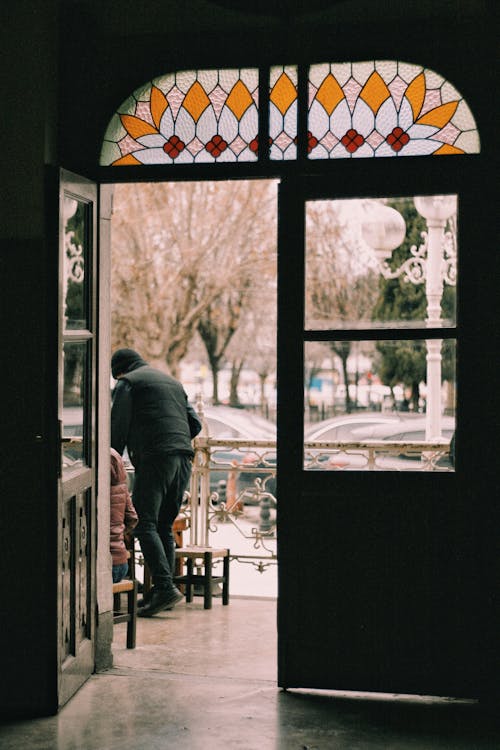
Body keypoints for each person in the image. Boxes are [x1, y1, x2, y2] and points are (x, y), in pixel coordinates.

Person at [110, 348, 202, 616]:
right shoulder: (173, 382)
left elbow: (118, 428)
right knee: (163, 525)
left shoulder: (128, 383)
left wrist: (112, 459)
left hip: (155, 458)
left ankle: (164, 587)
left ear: (119, 371)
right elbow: (194, 424)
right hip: (183, 457)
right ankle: (165, 588)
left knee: (143, 525)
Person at [110, 447, 138, 583]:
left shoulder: (91, 491)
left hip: (105, 566)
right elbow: (132, 519)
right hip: (121, 565)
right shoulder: (123, 489)